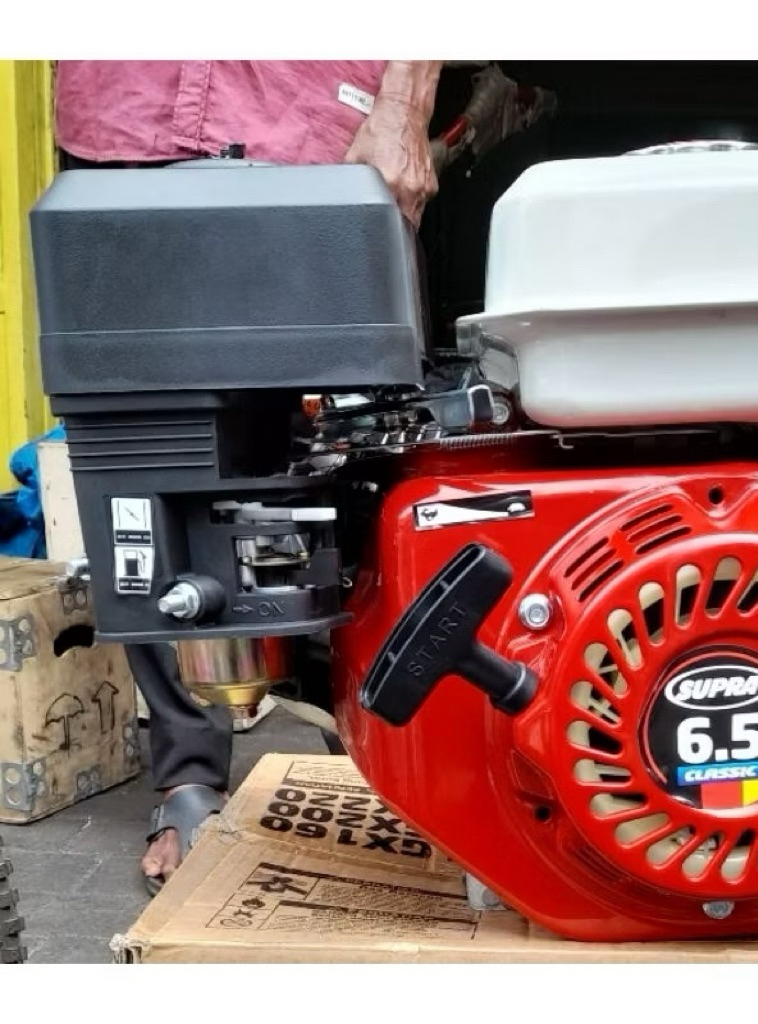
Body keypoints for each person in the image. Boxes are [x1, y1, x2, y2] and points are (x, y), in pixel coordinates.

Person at [53, 60, 444, 895]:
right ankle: (187, 773)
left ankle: (393, 762)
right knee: (141, 452)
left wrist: (404, 106)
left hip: (318, 126)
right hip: (124, 125)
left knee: (359, 447)